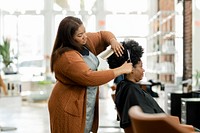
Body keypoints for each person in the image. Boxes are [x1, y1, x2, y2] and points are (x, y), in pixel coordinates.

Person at [48, 16, 133, 133]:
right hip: (68, 104)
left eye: (84, 32)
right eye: (79, 35)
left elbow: (103, 35)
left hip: (85, 99)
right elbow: (89, 77)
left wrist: (113, 41)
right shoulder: (66, 57)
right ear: (69, 38)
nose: (85, 37)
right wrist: (120, 70)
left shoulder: (84, 42)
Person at [107, 40, 165, 133]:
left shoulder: (124, 86)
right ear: (131, 68)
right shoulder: (131, 90)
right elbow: (149, 121)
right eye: (141, 66)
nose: (143, 70)